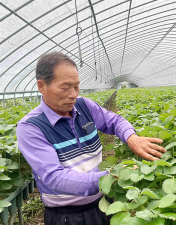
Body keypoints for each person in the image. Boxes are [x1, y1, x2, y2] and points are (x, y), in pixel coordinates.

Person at [16, 51, 166, 225]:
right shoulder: (31, 127)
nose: (73, 94)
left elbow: (115, 120)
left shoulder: (84, 106)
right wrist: (111, 177)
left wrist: (131, 137)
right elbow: (54, 177)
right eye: (65, 88)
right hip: (67, 216)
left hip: (104, 202)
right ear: (42, 86)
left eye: (77, 87)